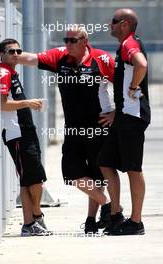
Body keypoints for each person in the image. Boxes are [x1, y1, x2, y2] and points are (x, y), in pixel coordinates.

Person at [18, 25, 115, 234]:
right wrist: (9, 55)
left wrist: (116, 113)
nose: (68, 44)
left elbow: (127, 84)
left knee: (97, 176)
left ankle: (91, 220)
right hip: (72, 126)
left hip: (98, 126)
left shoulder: (102, 59)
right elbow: (32, 59)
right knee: (72, 172)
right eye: (66, 40)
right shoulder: (60, 57)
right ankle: (111, 207)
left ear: (84, 40)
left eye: (73, 40)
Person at [98, 8, 151, 235]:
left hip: (133, 117)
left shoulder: (130, 44)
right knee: (105, 161)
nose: (110, 25)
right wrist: (116, 113)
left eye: (113, 21)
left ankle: (136, 222)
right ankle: (115, 212)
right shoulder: (124, 45)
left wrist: (132, 88)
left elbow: (142, 65)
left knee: (133, 169)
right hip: (123, 115)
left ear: (124, 24)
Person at [0, 38, 52, 236]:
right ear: (2, 55)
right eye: (10, 51)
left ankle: (29, 224)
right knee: (36, 179)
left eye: (18, 51)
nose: (15, 54)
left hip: (26, 131)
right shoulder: (4, 73)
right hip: (17, 133)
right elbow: (2, 104)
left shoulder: (12, 72)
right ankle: (36, 216)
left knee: (27, 180)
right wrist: (29, 103)